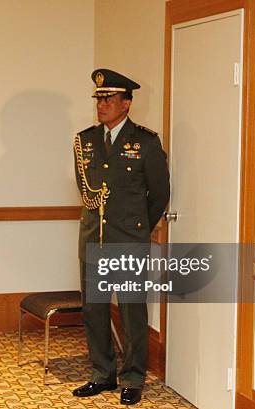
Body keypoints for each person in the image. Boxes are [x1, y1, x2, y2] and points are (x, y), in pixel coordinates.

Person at [72, 69, 170, 405]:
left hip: (128, 242)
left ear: (126, 104)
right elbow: (86, 190)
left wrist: (138, 228)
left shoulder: (145, 142)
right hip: (93, 239)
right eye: (98, 99)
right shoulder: (84, 141)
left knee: (131, 312)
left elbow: (159, 194)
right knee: (94, 310)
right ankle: (102, 374)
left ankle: (132, 377)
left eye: (109, 99)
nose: (101, 105)